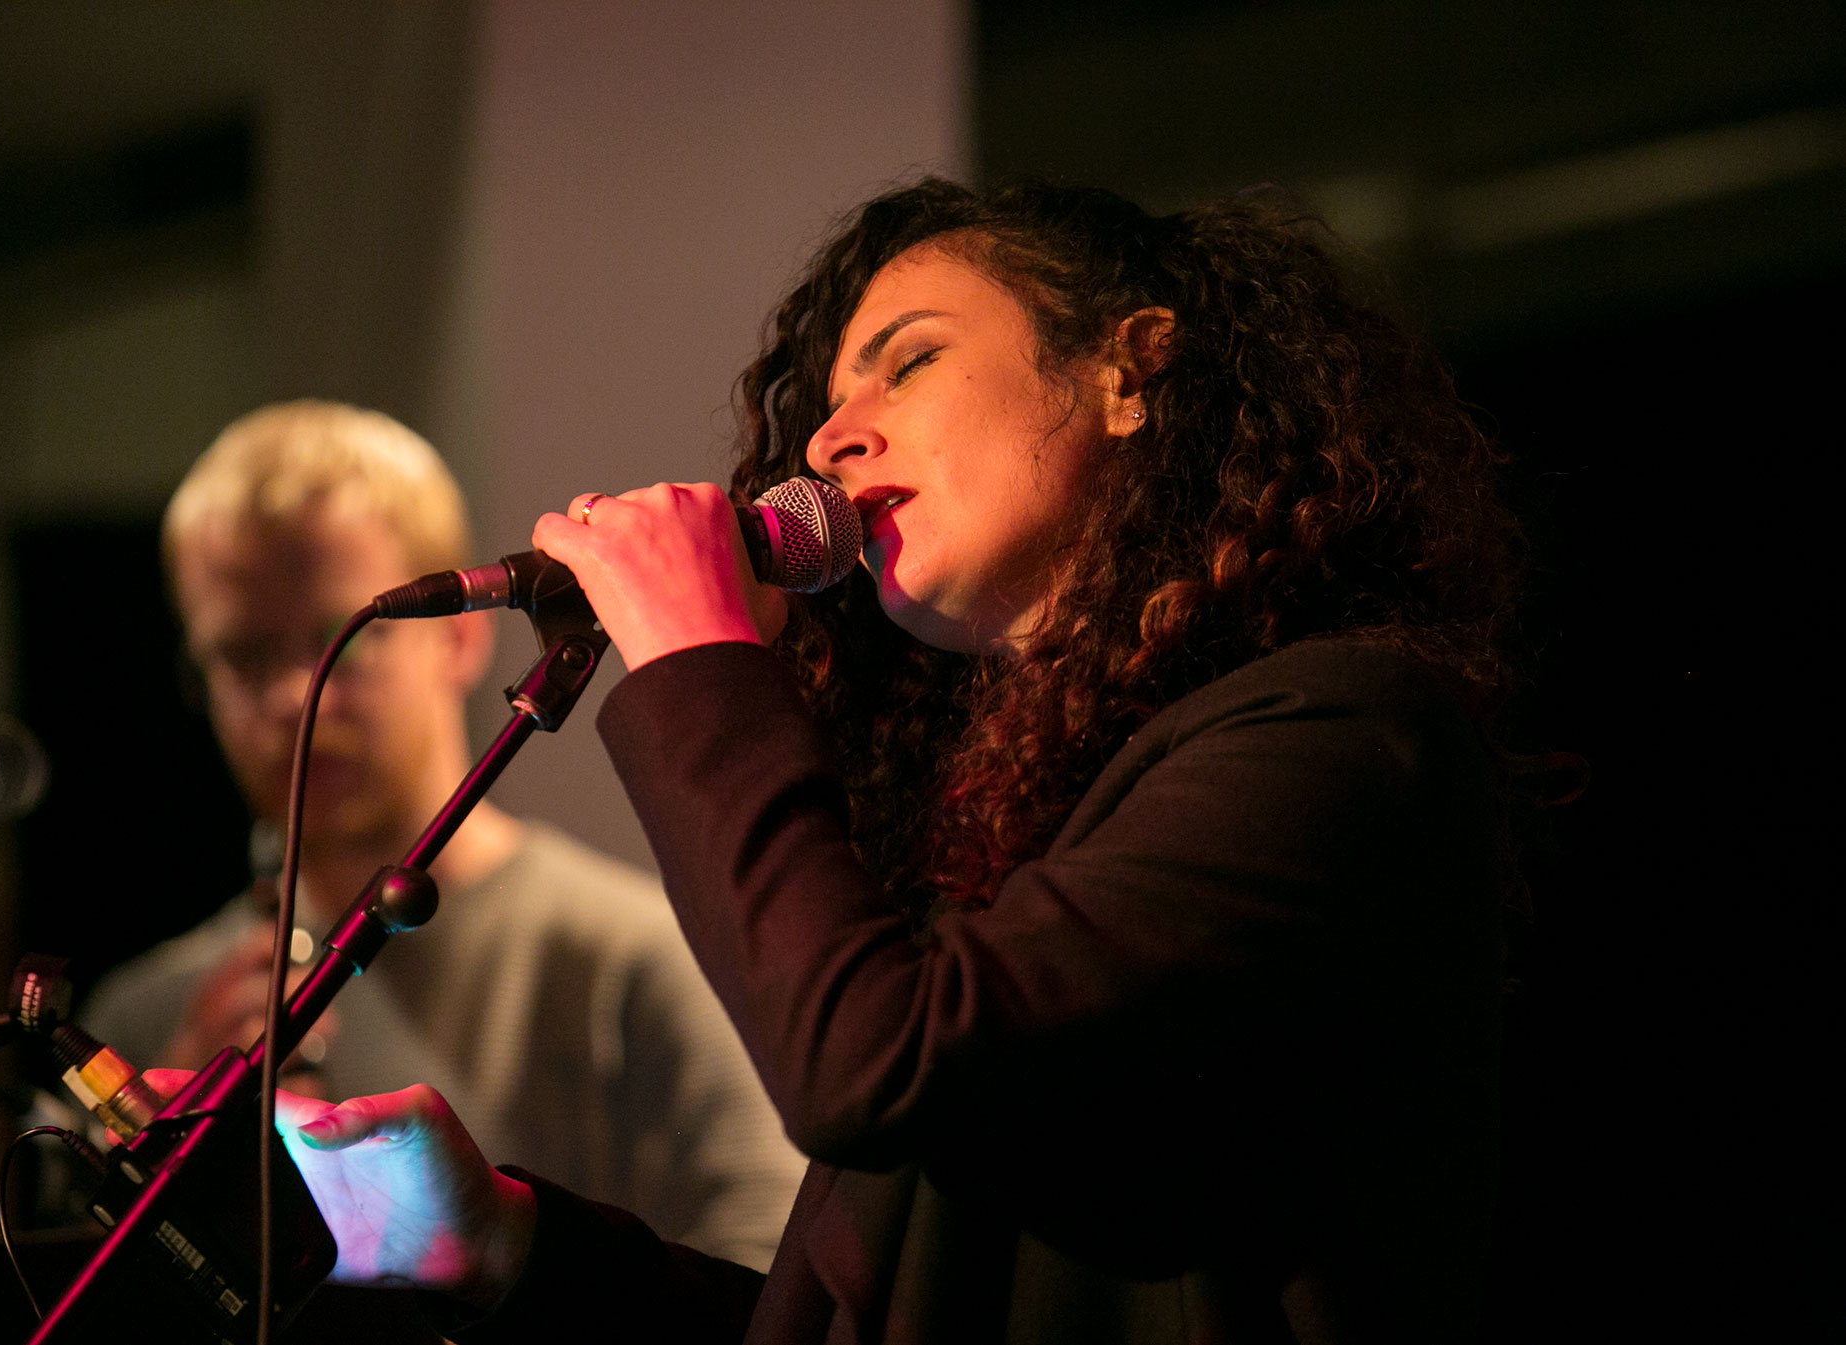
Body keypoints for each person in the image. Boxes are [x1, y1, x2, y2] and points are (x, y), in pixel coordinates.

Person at [189, 181, 1524, 1343]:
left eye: (910, 360)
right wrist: (494, 1244)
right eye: (828, 399)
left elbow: (870, 1061)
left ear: (1126, 371)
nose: (832, 437)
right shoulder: (1015, 843)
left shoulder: (1337, 744)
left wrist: (699, 654)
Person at [82, 400, 805, 1271]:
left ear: (461, 638)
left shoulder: (641, 957)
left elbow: (772, 1277)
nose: (289, 697)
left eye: (336, 639)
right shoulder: (145, 1019)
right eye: (241, 655)